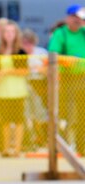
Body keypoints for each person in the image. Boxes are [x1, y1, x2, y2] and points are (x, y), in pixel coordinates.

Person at [48, 4, 85, 155]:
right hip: (67, 79)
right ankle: (61, 148)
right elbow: (53, 55)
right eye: (75, 17)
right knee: (66, 114)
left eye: (80, 17)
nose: (78, 20)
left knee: (83, 115)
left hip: (83, 79)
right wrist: (68, 62)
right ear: (68, 18)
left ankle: (82, 147)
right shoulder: (61, 33)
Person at [0, 20, 28, 157]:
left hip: (17, 91)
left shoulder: (20, 51)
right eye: (6, 31)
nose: (9, 34)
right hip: (2, 91)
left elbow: (25, 71)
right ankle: (7, 148)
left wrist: (7, 72)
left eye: (12, 31)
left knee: (18, 120)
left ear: (16, 34)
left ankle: (17, 148)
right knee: (5, 121)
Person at [21, 29, 48, 150]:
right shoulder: (20, 53)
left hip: (39, 85)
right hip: (25, 85)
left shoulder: (41, 52)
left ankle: (42, 138)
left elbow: (47, 69)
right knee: (27, 115)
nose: (27, 46)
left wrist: (36, 69)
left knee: (40, 114)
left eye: (29, 43)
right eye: (24, 43)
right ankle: (30, 139)